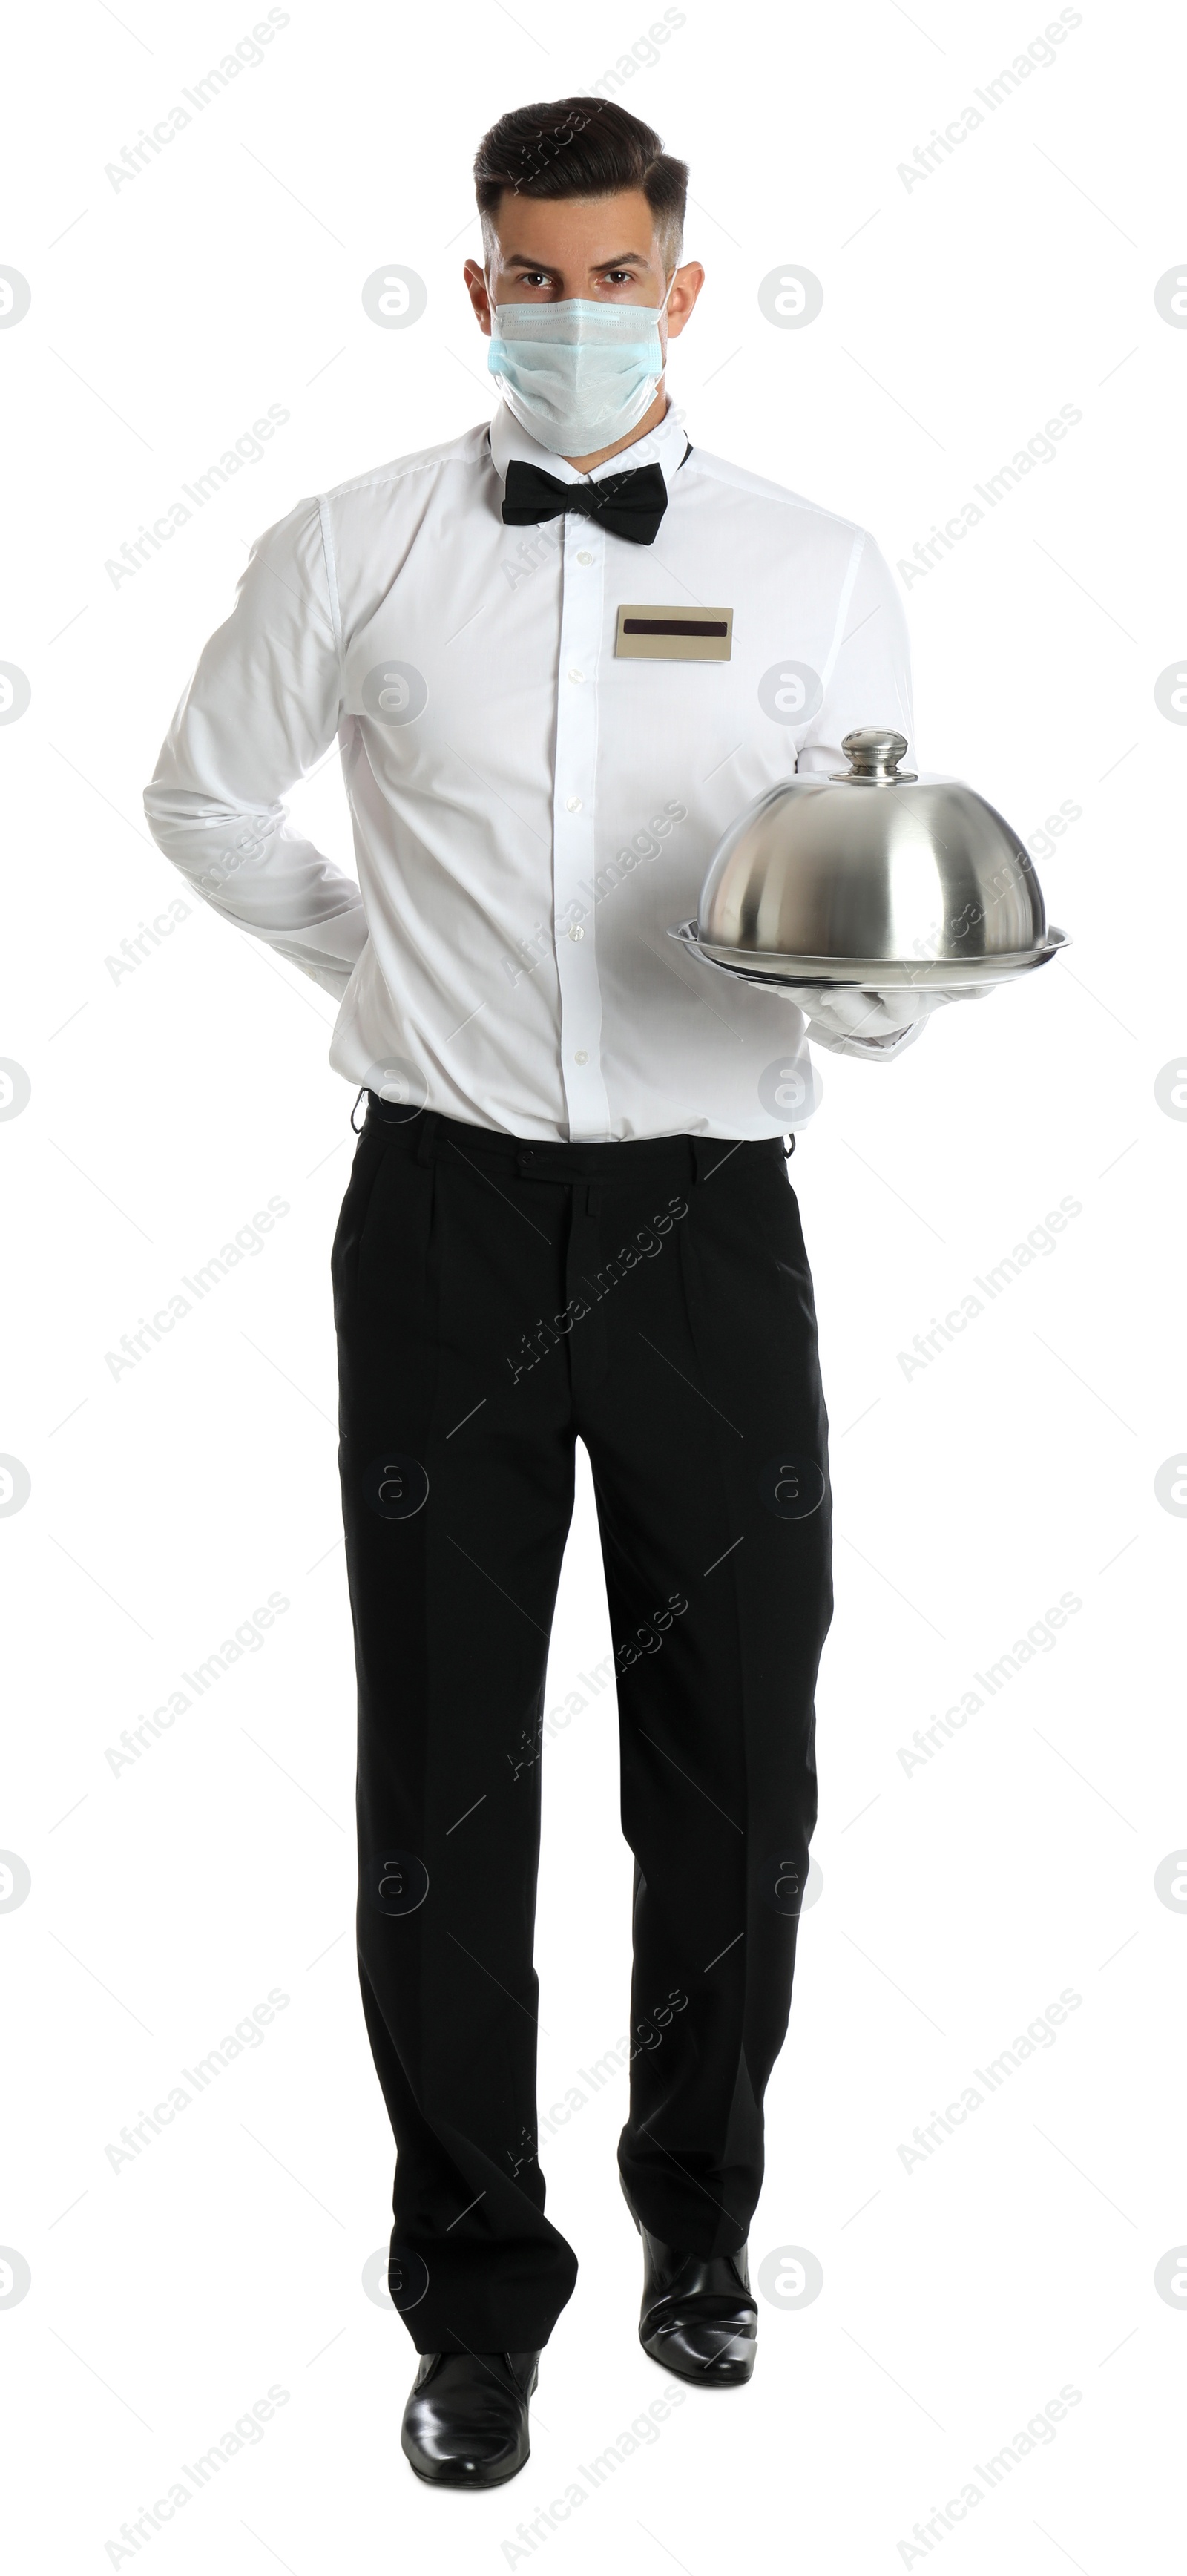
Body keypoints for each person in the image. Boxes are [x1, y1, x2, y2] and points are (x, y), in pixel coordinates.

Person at [142, 95, 977, 2489]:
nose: (575, 319)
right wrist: (363, 957)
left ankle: (698, 2233)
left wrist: (884, 1003)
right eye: (535, 279)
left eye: (618, 278)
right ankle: (475, 2294)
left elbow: (870, 872)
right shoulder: (361, 546)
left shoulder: (816, 566)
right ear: (477, 285)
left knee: (738, 1773)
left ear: (681, 292)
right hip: (437, 1220)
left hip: (713, 1225)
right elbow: (200, 796)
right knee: (446, 1782)